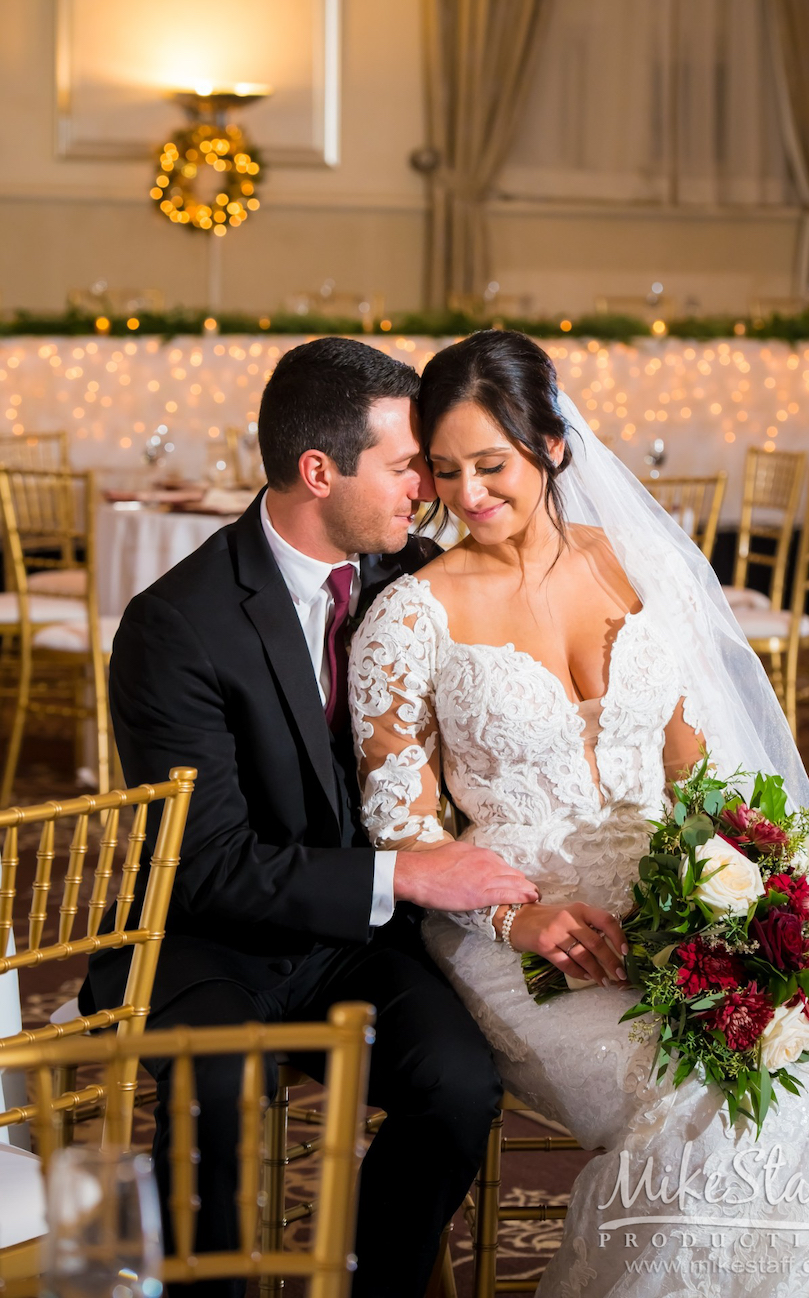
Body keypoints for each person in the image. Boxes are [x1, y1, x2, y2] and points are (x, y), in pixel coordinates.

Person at [349, 329, 809, 1297]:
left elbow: (697, 774)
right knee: (710, 1105)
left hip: (673, 921)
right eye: (444, 473)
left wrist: (738, 911)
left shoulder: (639, 566)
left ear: (552, 445)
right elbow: (406, 837)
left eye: (492, 465)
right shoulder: (410, 617)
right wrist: (523, 919)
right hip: (521, 944)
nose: (469, 496)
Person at [79, 337, 541, 1298]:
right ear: (319, 471)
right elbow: (205, 863)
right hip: (215, 940)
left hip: (359, 944)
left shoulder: (411, 575)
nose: (428, 487)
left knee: (457, 1087)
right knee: (217, 1097)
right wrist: (406, 873)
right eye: (407, 463)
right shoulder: (176, 625)